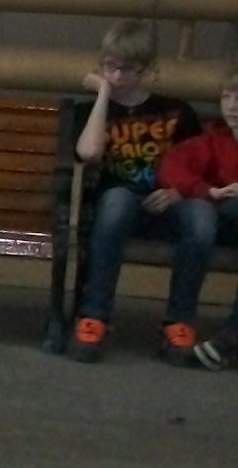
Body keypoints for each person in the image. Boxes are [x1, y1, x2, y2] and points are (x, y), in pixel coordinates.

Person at [66, 18, 205, 365]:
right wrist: (102, 95)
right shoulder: (94, 110)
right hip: (117, 208)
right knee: (116, 201)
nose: (116, 76)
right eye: (108, 67)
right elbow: (89, 153)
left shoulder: (177, 111)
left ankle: (179, 322)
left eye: (127, 69)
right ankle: (95, 315)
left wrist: (177, 192)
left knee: (202, 219)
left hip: (168, 204)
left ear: (148, 69)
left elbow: (199, 166)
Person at [158, 68, 238, 369]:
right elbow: (171, 167)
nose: (232, 106)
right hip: (223, 223)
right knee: (201, 218)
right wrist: (207, 191)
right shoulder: (214, 141)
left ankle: (234, 336)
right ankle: (187, 325)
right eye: (226, 97)